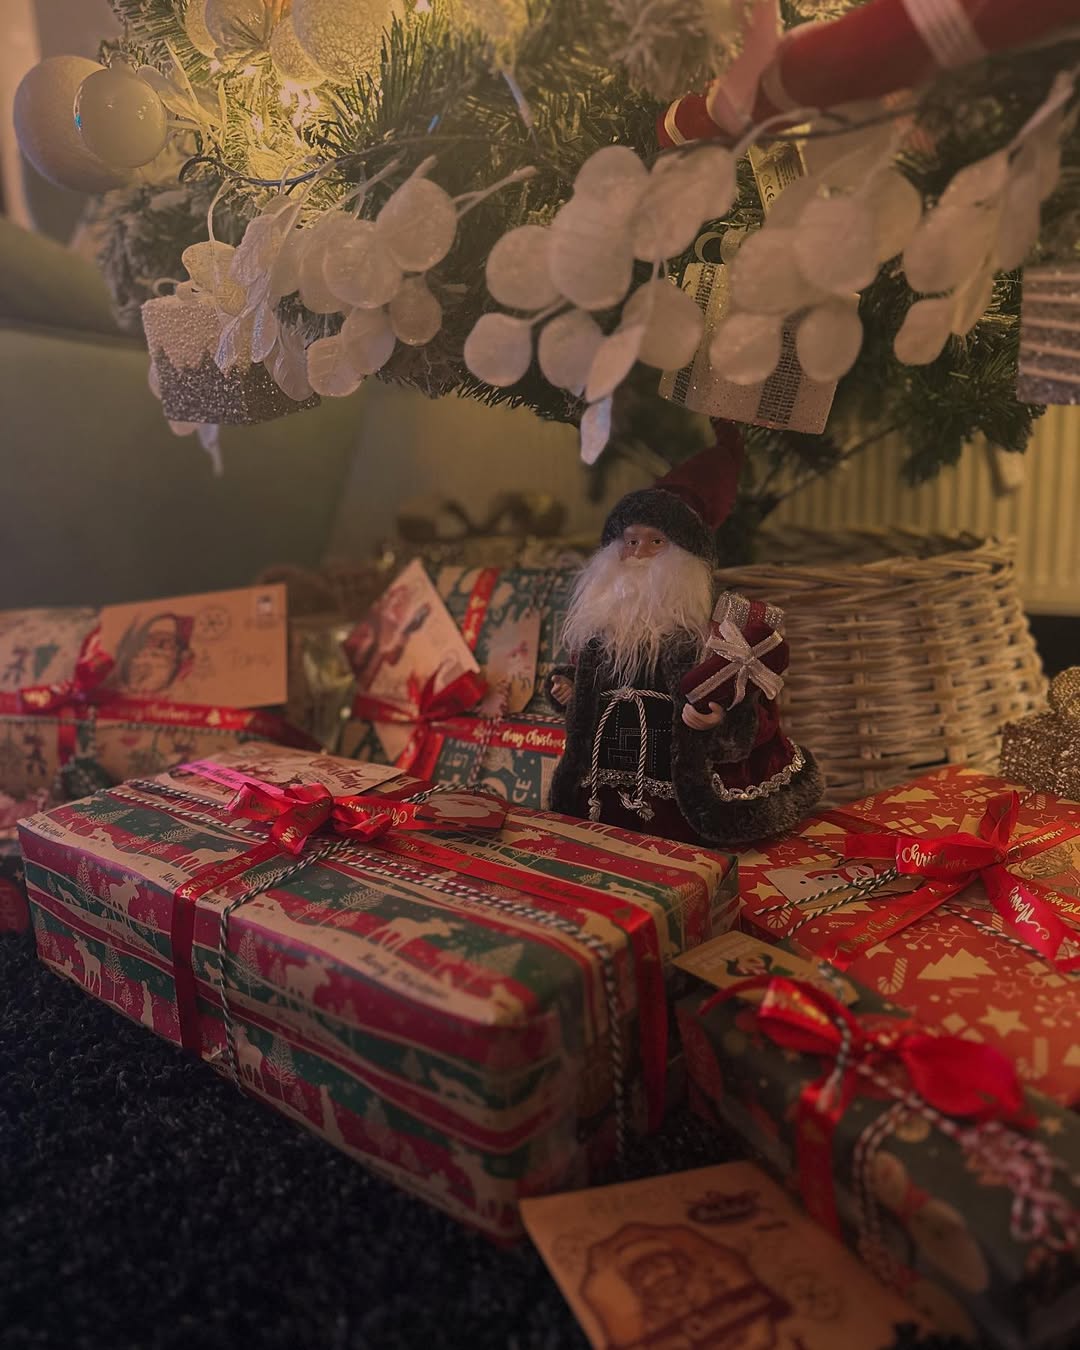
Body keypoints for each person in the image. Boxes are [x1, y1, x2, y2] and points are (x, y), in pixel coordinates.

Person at [547, 447, 822, 846]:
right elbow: (586, 687)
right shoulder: (601, 634)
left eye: (655, 541)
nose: (638, 553)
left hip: (674, 776)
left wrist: (718, 719)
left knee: (673, 834)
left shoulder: (710, 634)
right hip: (603, 776)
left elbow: (744, 699)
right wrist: (569, 686)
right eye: (630, 541)